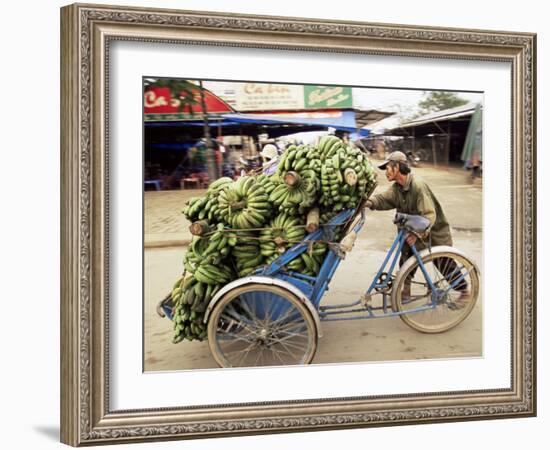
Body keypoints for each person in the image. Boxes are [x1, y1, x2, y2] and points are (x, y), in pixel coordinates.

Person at [365, 151, 469, 304]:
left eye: (388, 168)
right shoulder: (397, 188)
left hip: (433, 233)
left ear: (397, 167)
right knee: (406, 259)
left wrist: (417, 233)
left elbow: (428, 215)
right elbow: (384, 199)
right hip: (413, 233)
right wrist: (368, 202)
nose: (386, 172)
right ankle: (405, 290)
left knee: (444, 264)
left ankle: (464, 292)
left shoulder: (417, 186)